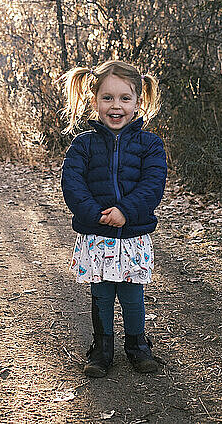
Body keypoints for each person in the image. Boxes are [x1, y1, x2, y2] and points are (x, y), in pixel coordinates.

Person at [60, 60, 167, 377]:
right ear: (94, 101)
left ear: (138, 101)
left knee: (133, 297)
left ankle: (138, 346)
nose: (116, 106)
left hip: (132, 237)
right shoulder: (83, 145)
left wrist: (126, 211)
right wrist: (95, 214)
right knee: (102, 296)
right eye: (107, 98)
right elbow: (73, 184)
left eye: (124, 98)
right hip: (96, 237)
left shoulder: (150, 145)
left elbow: (152, 185)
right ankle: (102, 349)